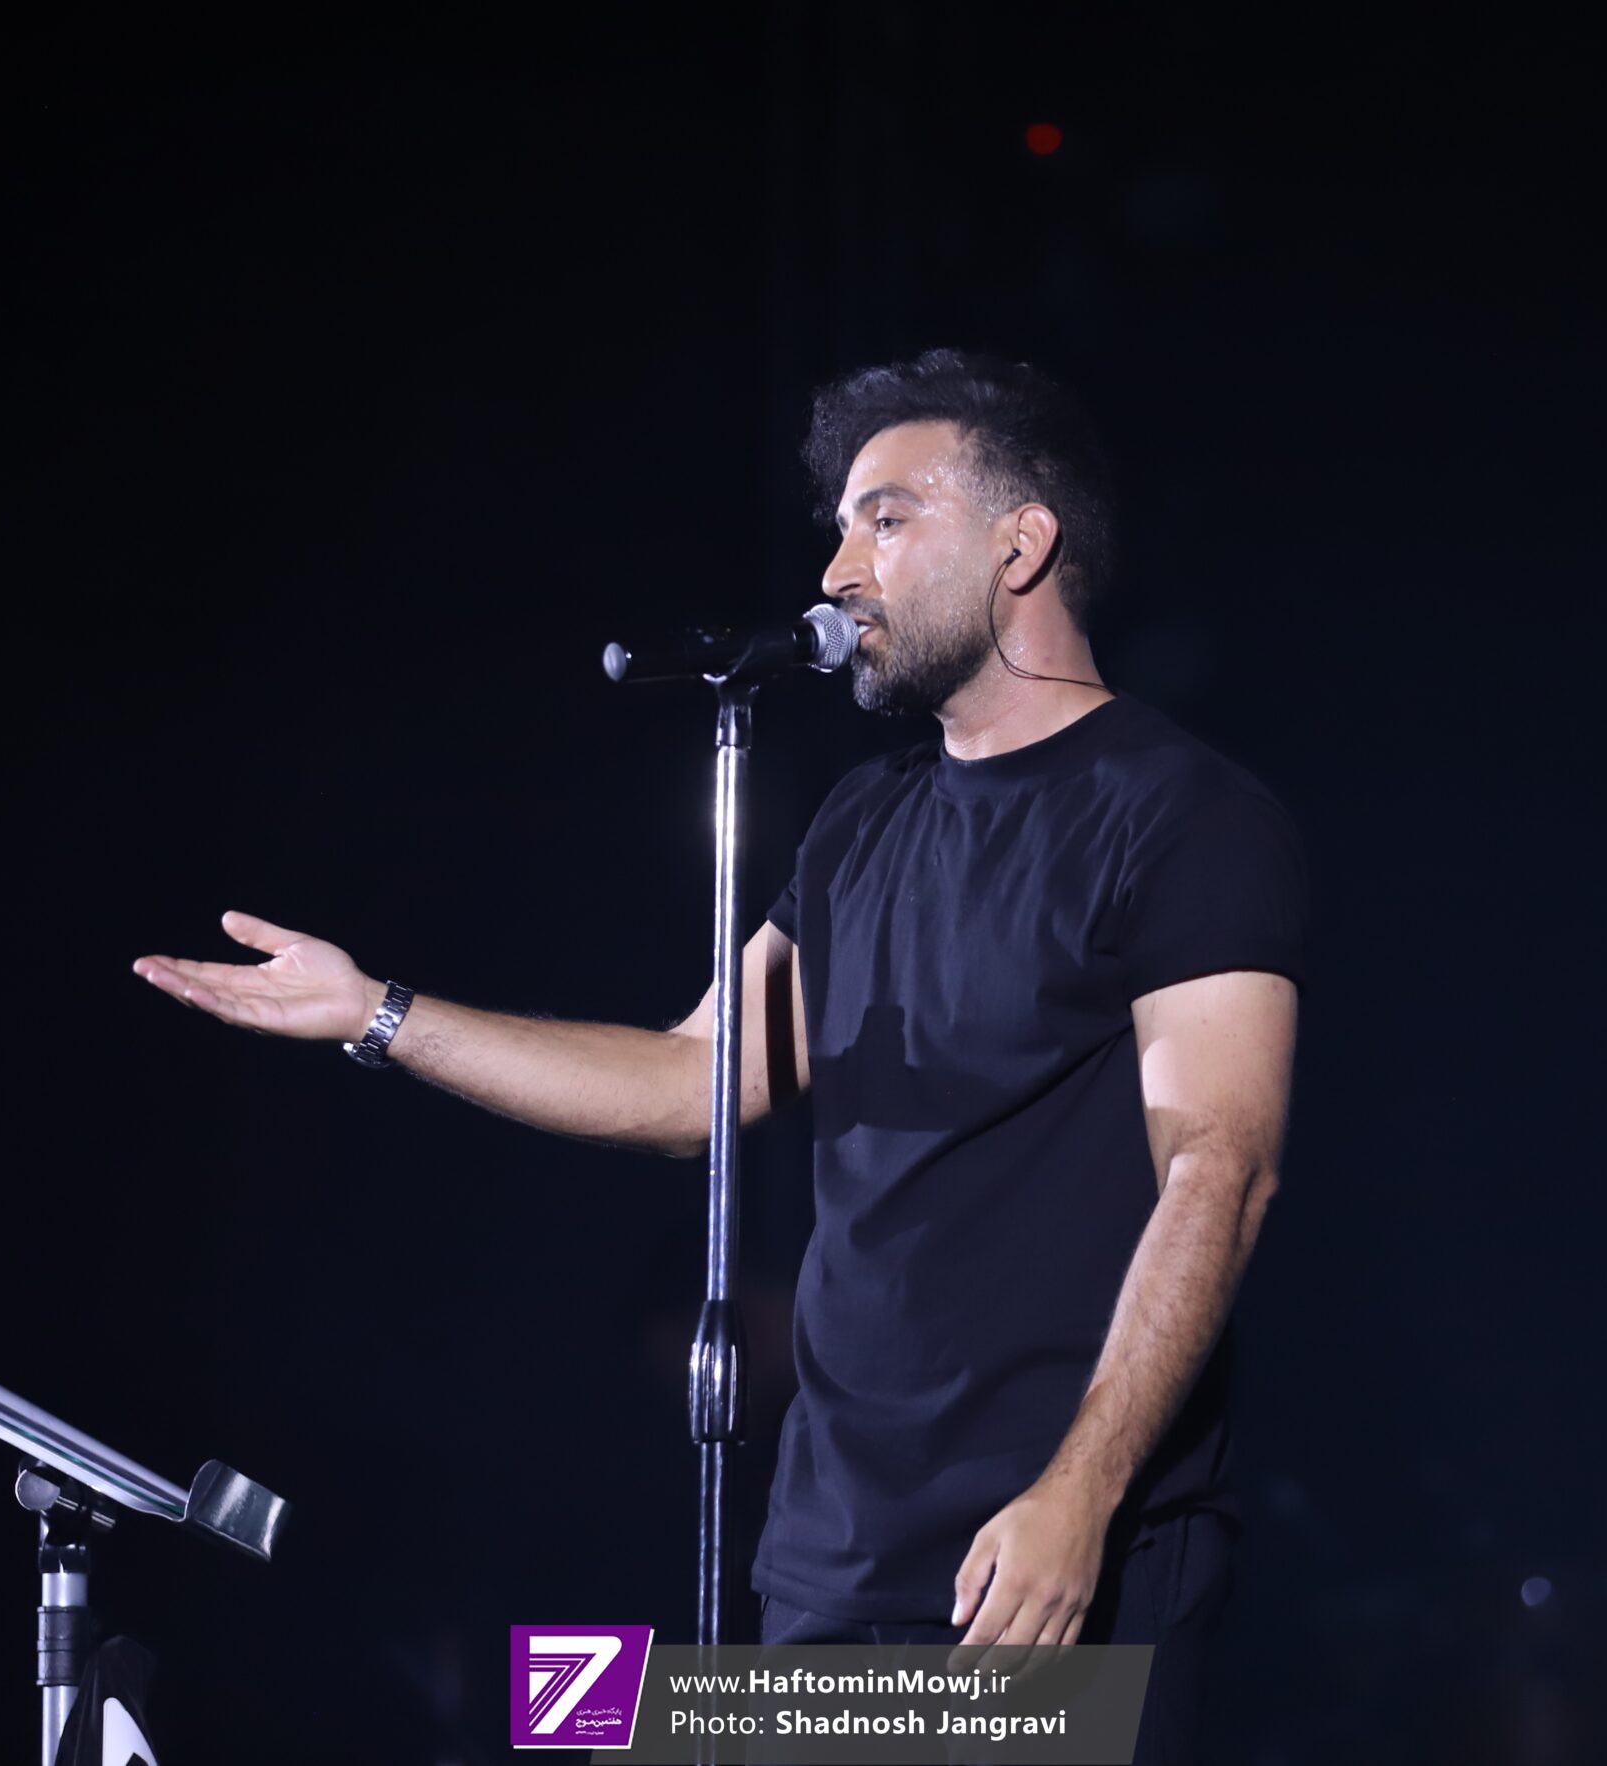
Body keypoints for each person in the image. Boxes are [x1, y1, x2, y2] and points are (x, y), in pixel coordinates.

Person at [132, 349, 1307, 1761]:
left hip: (1048, 1564)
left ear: (1022, 544)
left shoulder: (1178, 814)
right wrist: (379, 1013)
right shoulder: (862, 824)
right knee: (587, 1726)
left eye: (886, 518)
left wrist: (1084, 1492)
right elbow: (697, 1079)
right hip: (830, 1561)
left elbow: (1220, 1170)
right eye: (840, 525)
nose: (838, 569)